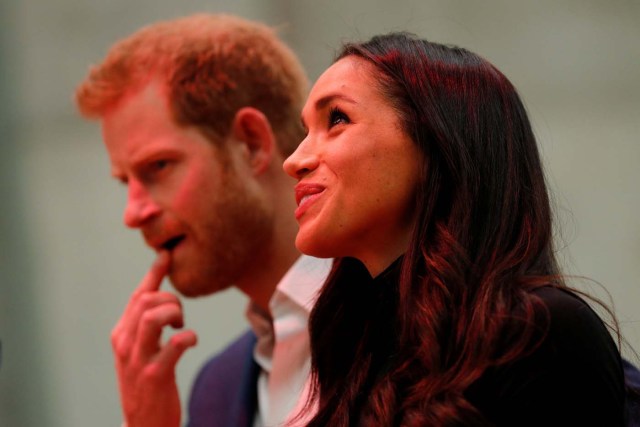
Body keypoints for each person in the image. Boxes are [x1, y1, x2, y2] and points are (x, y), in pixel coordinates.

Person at [283, 32, 632, 426]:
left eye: (337, 119)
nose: (295, 160)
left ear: (436, 141)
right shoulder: (351, 345)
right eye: (304, 131)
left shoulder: (538, 331)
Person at [74, 14, 331, 427]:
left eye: (158, 166)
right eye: (126, 182)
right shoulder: (215, 390)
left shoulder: (429, 315)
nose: (133, 213)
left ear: (251, 143)